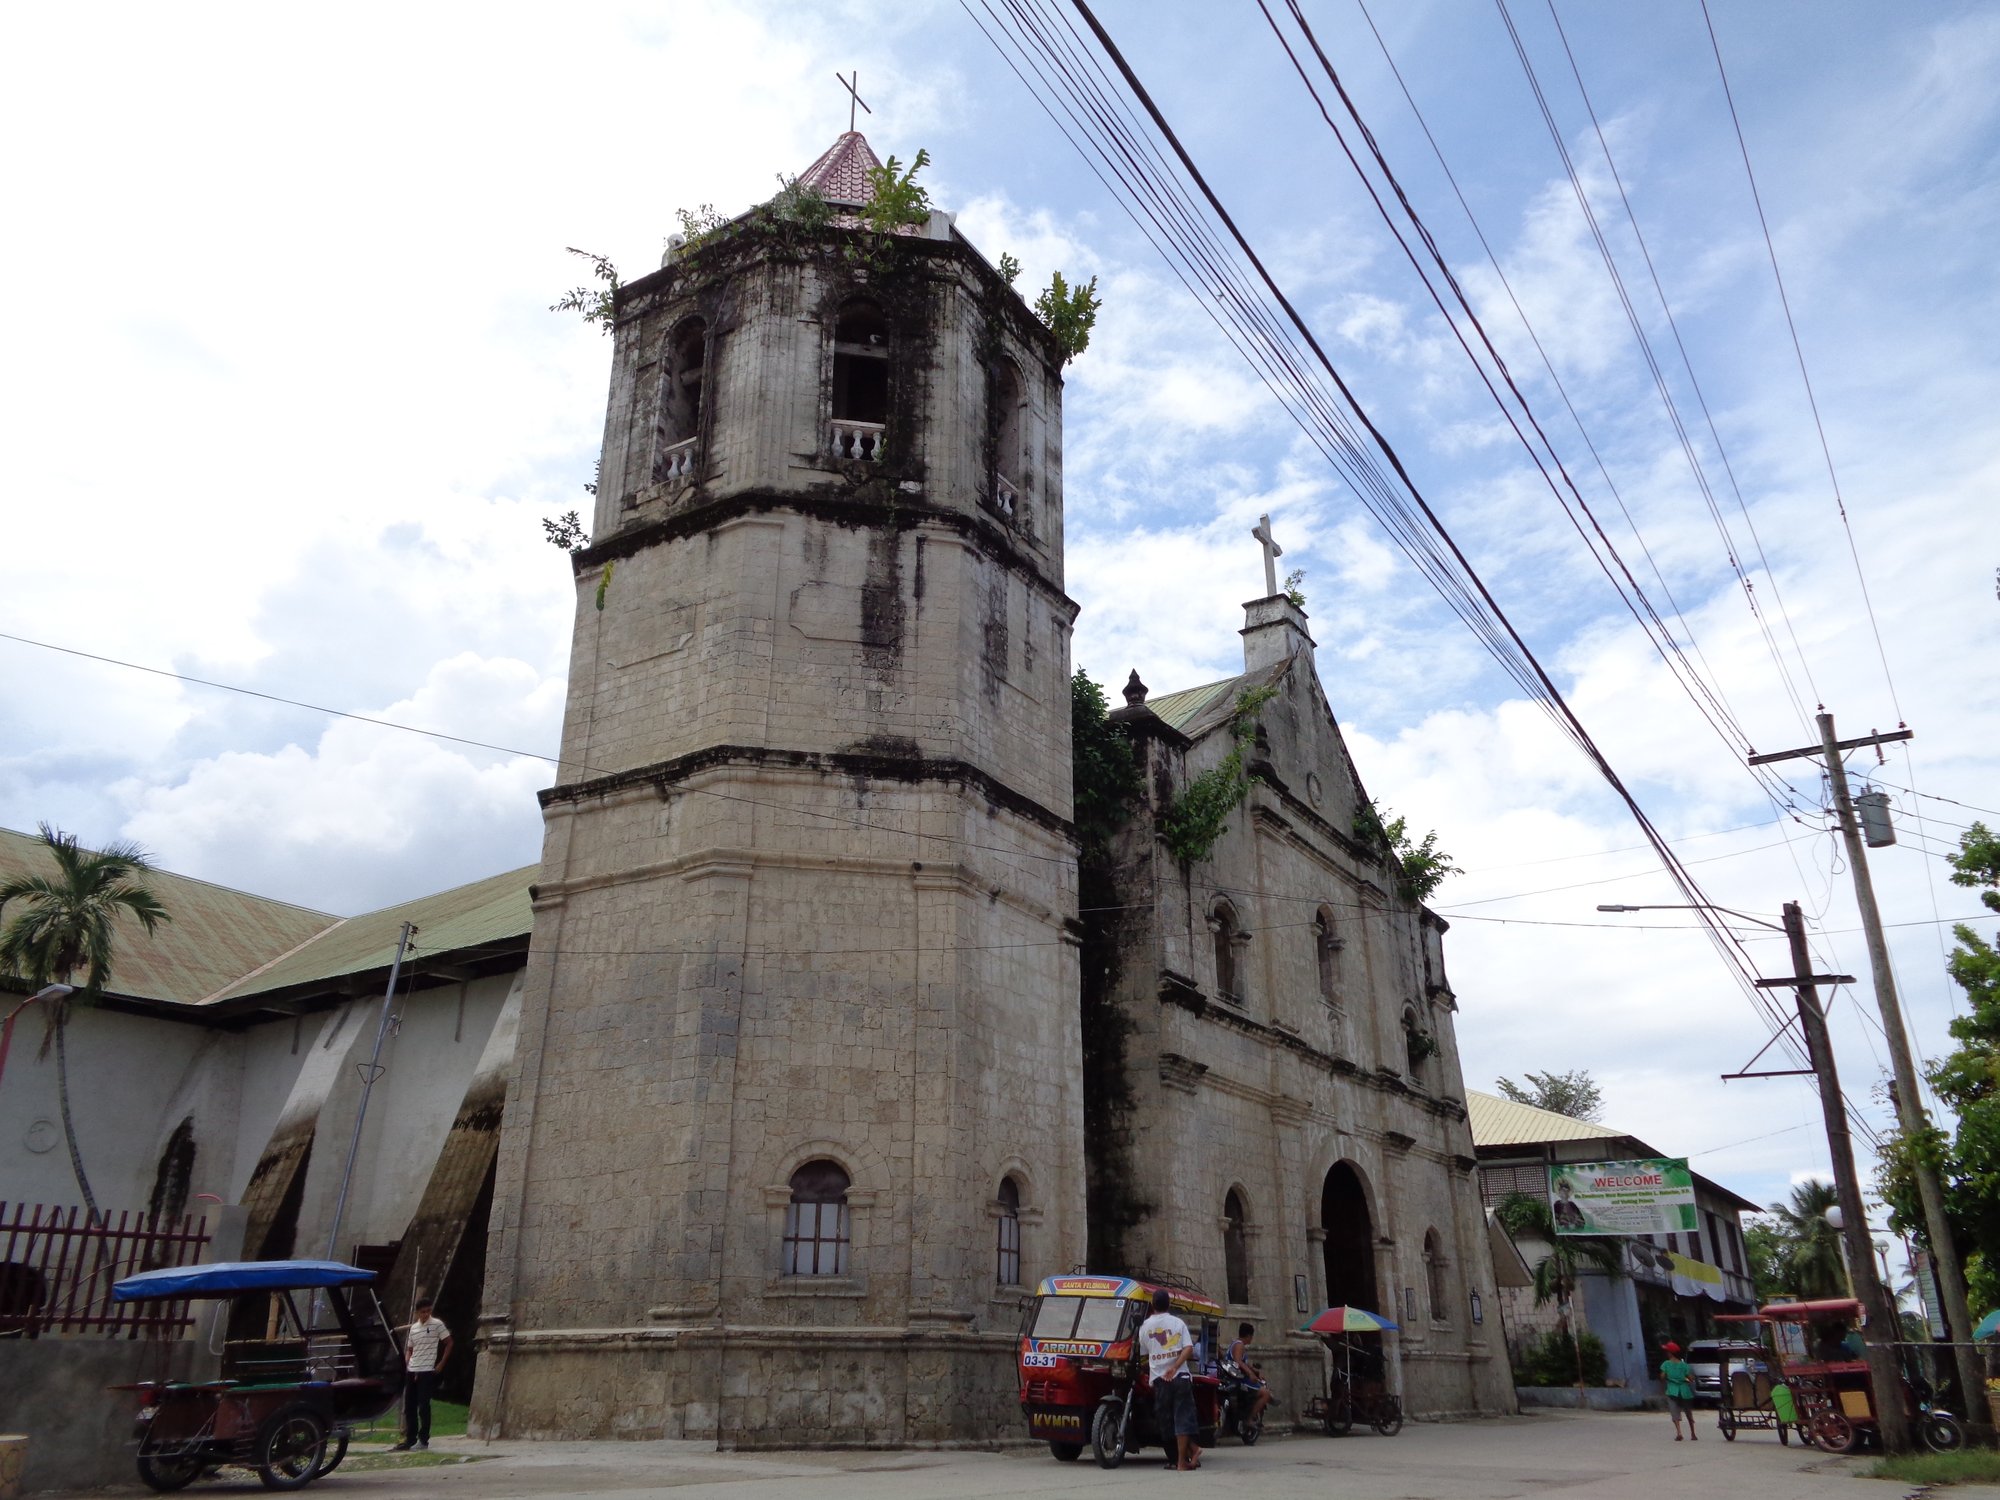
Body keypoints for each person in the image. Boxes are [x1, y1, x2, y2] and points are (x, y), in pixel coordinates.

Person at [1137, 1288, 1200, 1471]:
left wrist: (1163, 1365)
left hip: (1159, 1379)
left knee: (1166, 1420)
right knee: (1182, 1417)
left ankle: (1179, 1460)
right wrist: (1175, 1366)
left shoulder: (1145, 1327)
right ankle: (1190, 1453)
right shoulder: (1178, 1323)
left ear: (1152, 1305)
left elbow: (1143, 1352)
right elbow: (1188, 1348)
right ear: (1169, 1304)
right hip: (1180, 1377)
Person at [388, 1296, 453, 1452]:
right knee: (409, 1406)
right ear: (417, 1313)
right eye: (423, 1312)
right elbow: (410, 1348)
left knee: (423, 1405)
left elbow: (449, 1342)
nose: (426, 1314)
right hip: (413, 1368)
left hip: (427, 1369)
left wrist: (441, 1364)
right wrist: (407, 1362)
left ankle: (423, 1439)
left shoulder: (437, 1324)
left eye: (428, 1311)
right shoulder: (414, 1328)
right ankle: (410, 1439)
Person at [1226, 1322, 1272, 1425]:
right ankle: (1249, 1419)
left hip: (1238, 1378)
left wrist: (1255, 1372)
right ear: (1248, 1336)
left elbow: (1244, 1363)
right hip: (1239, 1380)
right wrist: (1250, 1374)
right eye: (1251, 1336)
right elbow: (1238, 1361)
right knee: (1266, 1393)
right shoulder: (1239, 1345)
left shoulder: (1236, 1344)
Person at [1660, 1341, 1697, 1441]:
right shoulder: (1684, 1365)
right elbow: (1691, 1378)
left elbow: (1662, 1376)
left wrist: (1669, 1377)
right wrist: (1686, 1379)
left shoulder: (1666, 1364)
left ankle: (1679, 1432)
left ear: (1670, 1353)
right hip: (1684, 1391)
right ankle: (1693, 1433)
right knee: (1688, 1412)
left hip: (1672, 1390)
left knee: (1674, 1412)